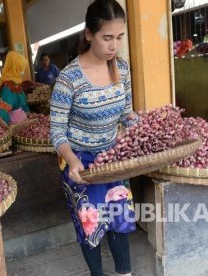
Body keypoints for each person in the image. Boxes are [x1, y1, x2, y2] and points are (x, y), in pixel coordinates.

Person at [49, 1, 138, 276]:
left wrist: (143, 127)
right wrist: (72, 160)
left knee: (119, 222)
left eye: (119, 37)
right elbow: (56, 131)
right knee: (91, 227)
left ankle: (125, 273)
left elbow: (126, 113)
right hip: (82, 166)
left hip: (113, 161)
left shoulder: (121, 69)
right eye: (107, 38)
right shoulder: (68, 79)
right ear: (89, 34)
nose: (114, 46)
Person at [0, 51, 32, 129]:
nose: (23, 71)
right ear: (15, 68)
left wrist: (29, 113)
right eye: (21, 68)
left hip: (22, 123)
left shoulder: (16, 84)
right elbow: (2, 110)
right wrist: (6, 126)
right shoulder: (8, 87)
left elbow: (23, 104)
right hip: (15, 126)